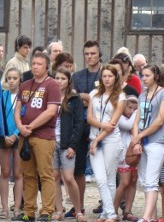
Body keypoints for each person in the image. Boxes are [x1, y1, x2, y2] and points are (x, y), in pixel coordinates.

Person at [14, 52, 60, 222]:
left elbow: (51, 112)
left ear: (46, 66)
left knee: (45, 174)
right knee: (28, 174)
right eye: (33, 63)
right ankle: (29, 211)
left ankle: (47, 211)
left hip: (43, 136)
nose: (35, 67)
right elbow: (18, 109)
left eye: (39, 64)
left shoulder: (52, 85)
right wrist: (19, 126)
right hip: (24, 137)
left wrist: (31, 127)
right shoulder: (25, 85)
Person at [132, 65, 164, 222]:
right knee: (143, 181)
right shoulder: (142, 95)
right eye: (142, 75)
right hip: (142, 141)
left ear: (155, 76)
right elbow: (136, 120)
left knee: (151, 180)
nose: (143, 78)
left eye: (147, 75)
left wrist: (139, 136)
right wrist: (136, 140)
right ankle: (152, 217)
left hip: (156, 141)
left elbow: (159, 120)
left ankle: (146, 216)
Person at [87, 64, 126, 222]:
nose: (107, 79)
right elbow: (90, 118)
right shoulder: (94, 94)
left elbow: (114, 123)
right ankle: (111, 213)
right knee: (100, 178)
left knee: (110, 178)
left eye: (110, 76)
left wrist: (97, 138)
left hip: (110, 140)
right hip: (95, 137)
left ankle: (106, 213)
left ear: (115, 77)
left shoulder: (121, 97)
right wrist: (101, 127)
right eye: (104, 76)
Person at [70, 40, 103, 217]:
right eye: (87, 54)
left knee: (104, 169)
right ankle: (79, 206)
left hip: (101, 126)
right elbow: (75, 99)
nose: (90, 57)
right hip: (81, 125)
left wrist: (86, 98)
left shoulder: (105, 74)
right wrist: (90, 99)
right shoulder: (77, 75)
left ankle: (108, 205)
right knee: (78, 169)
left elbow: (105, 100)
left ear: (99, 54)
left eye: (93, 53)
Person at [53, 68, 86, 222]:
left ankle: (78, 211)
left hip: (67, 144)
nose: (59, 81)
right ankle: (58, 210)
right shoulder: (50, 96)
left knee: (68, 177)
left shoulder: (74, 99)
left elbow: (79, 124)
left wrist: (73, 145)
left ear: (68, 81)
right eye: (57, 78)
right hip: (51, 142)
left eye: (62, 79)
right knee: (54, 177)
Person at [0, 68, 23, 219]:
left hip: (19, 136)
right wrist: (4, 135)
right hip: (4, 136)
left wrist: (15, 135)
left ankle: (18, 207)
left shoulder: (24, 96)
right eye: (9, 78)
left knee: (19, 173)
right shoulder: (2, 96)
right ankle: (4, 207)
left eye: (15, 78)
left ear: (20, 79)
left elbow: (26, 116)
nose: (12, 81)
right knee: (5, 172)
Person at [114, 97, 139, 222]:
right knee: (124, 183)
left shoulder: (134, 118)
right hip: (123, 154)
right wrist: (138, 112)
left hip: (134, 154)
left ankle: (127, 211)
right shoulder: (119, 117)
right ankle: (113, 210)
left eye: (134, 109)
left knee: (133, 181)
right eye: (129, 108)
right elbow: (128, 125)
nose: (132, 111)